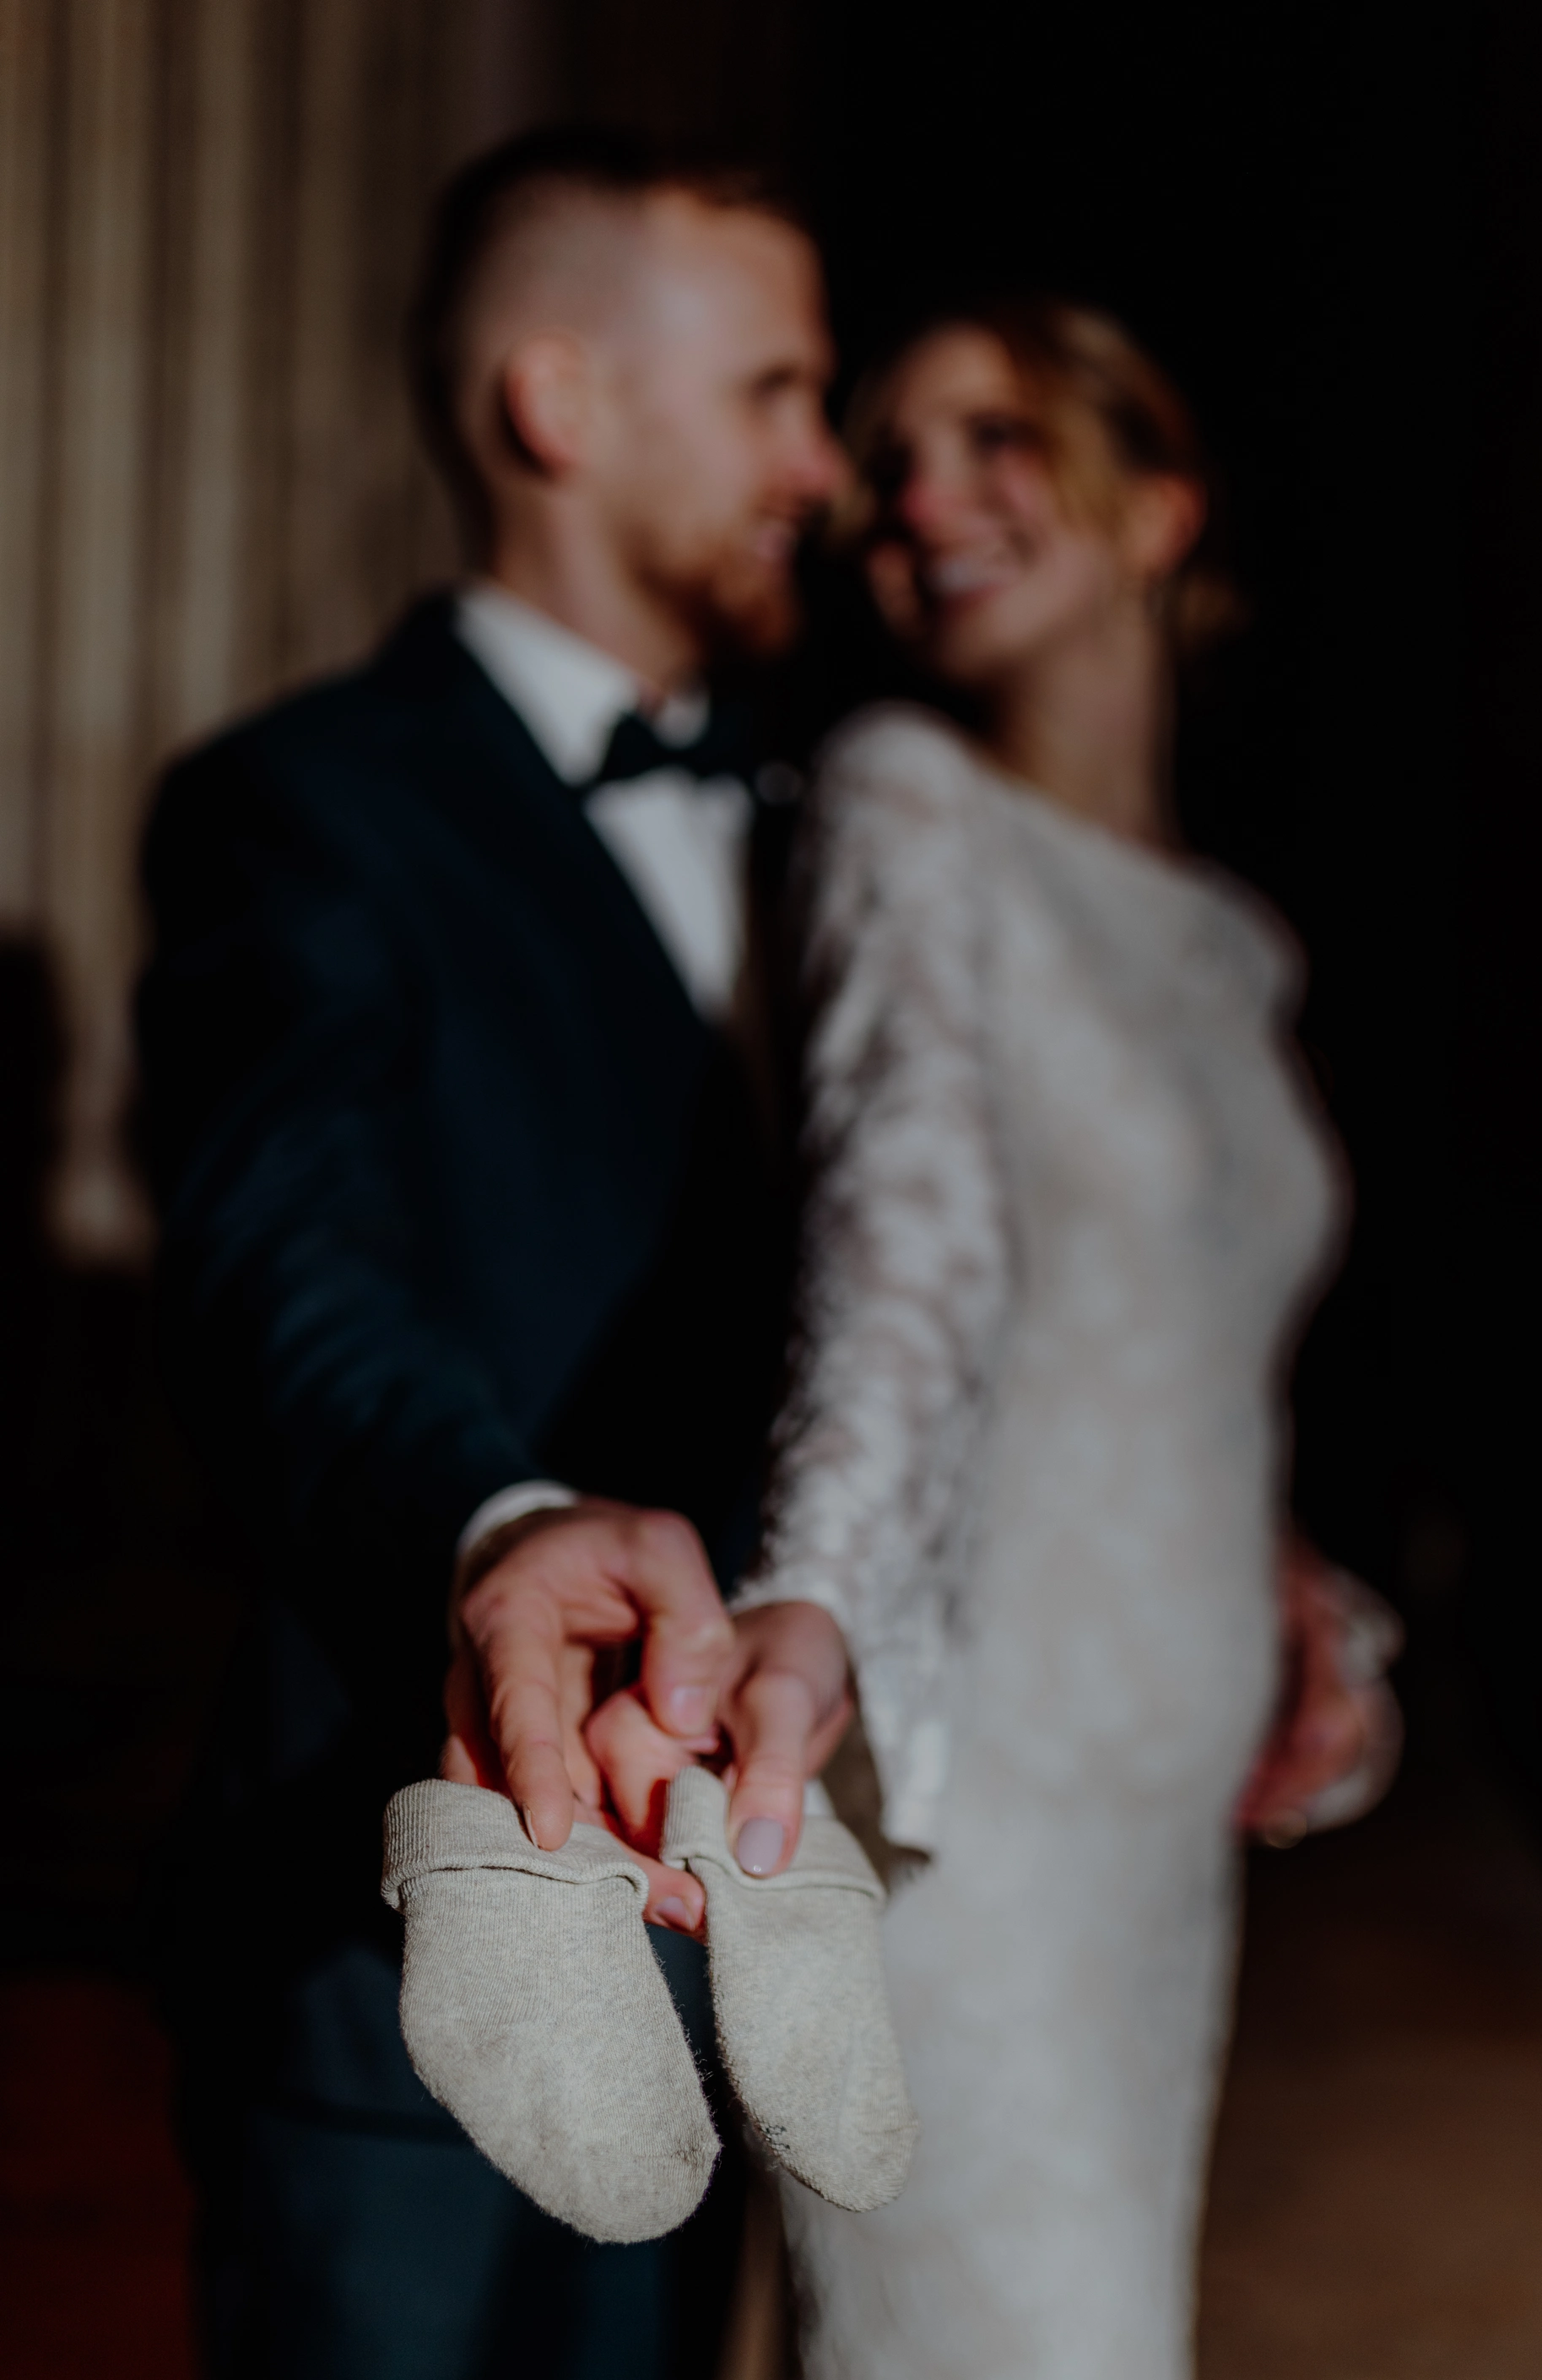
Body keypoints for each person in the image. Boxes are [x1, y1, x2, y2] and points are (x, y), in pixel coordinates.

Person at [586, 297, 1395, 2377]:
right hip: (972, 1802)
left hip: (1167, 1823)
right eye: (888, 470)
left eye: (993, 438)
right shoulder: (903, 799)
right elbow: (905, 1243)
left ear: (1159, 507)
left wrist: (1285, 1585)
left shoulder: (1235, 943)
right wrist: (819, 1602)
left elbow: (1172, 1342)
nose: (921, 502)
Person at [135, 127, 844, 2379]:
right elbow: (284, 1260)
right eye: (774, 392)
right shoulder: (305, 804)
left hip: (744, 1909)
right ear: (560, 402)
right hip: (406, 1932)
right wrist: (496, 1521)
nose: (823, 467)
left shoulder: (842, 817)